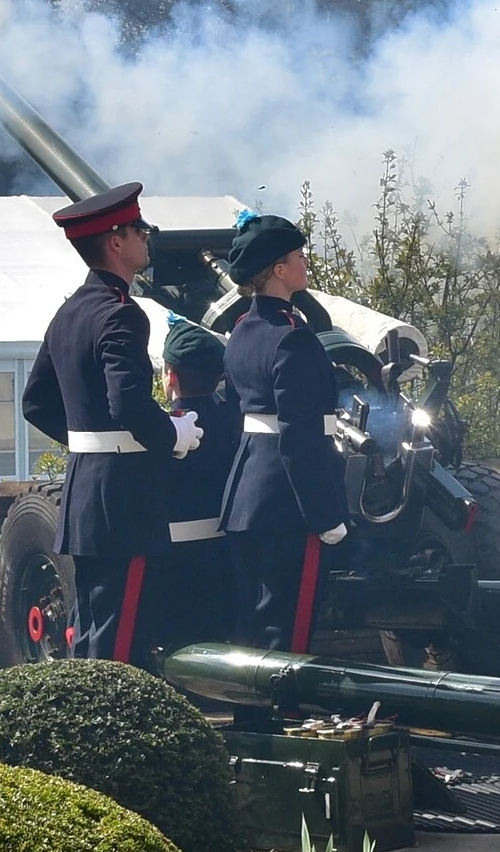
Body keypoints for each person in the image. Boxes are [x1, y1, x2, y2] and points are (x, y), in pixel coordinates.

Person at [20, 183, 201, 662]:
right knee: (123, 634)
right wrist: (171, 435)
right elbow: (128, 404)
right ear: (115, 241)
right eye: (138, 229)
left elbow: (35, 402)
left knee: (96, 622)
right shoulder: (122, 314)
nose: (146, 236)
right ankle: (114, 735)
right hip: (124, 494)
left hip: (86, 486)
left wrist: (93, 442)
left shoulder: (69, 313)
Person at [217, 212, 351, 651]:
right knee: (287, 630)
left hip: (247, 494)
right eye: (298, 256)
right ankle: (279, 718)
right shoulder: (292, 337)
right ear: (279, 269)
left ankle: (250, 715)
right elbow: (299, 438)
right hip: (287, 502)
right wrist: (325, 514)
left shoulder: (242, 332)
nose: (304, 263)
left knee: (253, 621)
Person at [145, 314, 239, 651]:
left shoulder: (161, 429)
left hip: (171, 565)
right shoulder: (237, 422)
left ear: (170, 377)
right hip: (225, 560)